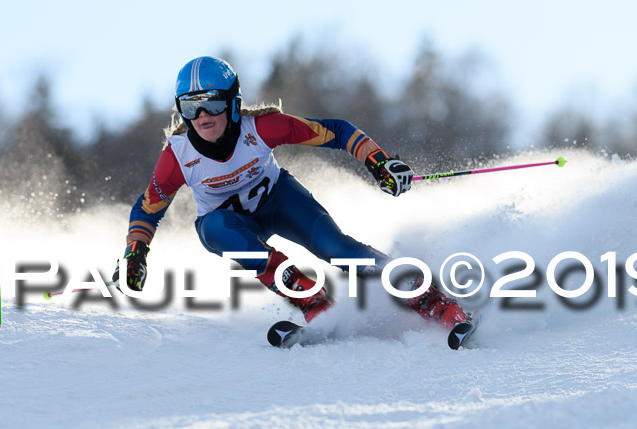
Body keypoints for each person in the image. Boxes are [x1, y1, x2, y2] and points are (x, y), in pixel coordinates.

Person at [113, 56, 466, 328]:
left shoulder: (263, 128)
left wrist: (379, 162)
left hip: (279, 200)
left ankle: (433, 300)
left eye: (213, 104)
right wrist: (135, 255)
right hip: (229, 224)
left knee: (339, 250)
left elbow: (338, 131)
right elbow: (147, 210)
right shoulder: (177, 157)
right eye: (191, 106)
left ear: (233, 103)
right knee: (217, 227)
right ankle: (312, 301)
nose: (203, 115)